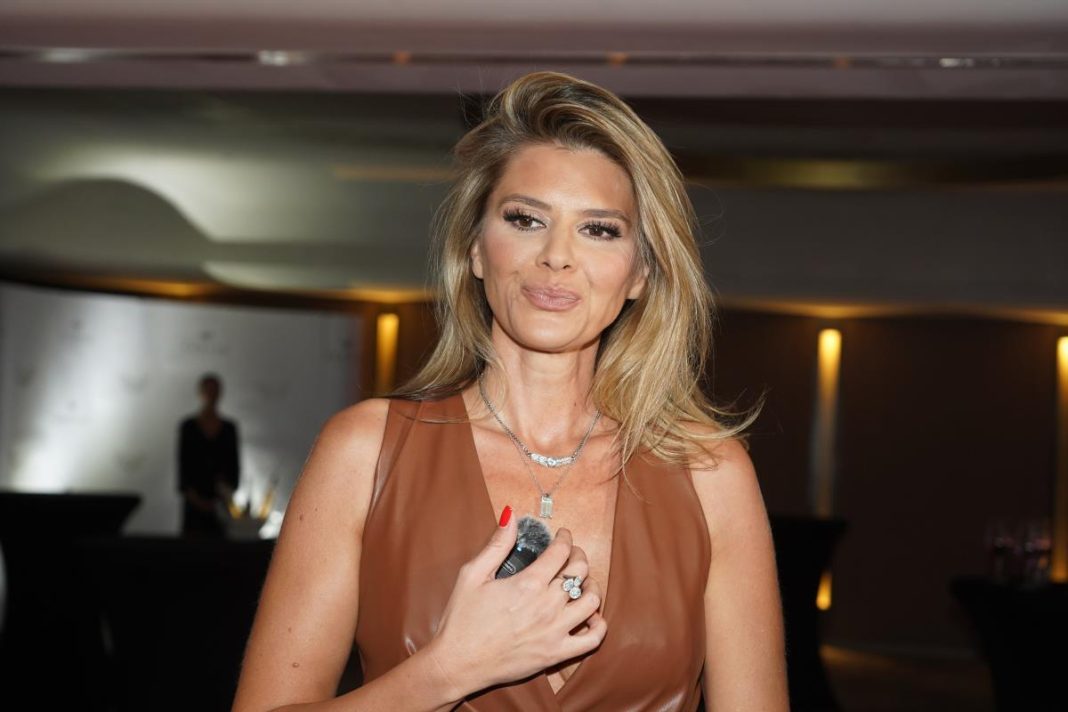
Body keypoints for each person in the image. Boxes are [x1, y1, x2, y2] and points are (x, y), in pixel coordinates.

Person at [233, 71, 787, 711]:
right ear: (475, 248)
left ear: (640, 273)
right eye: (525, 219)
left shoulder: (709, 473)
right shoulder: (366, 451)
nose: (556, 256)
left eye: (599, 229)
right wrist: (447, 670)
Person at [177, 372, 240, 537]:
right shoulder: (188, 427)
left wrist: (220, 500)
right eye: (208, 390)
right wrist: (198, 501)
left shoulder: (229, 429)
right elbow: (183, 470)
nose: (211, 395)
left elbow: (234, 468)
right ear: (200, 393)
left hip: (221, 507)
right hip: (194, 508)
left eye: (214, 391)